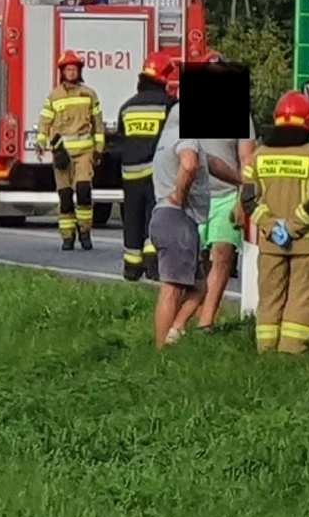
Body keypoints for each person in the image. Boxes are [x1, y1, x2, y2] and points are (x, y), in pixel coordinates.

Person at [241, 91, 309, 354]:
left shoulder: (258, 157)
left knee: (270, 297)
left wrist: (272, 226)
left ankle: (266, 349)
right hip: (308, 242)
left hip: (271, 243)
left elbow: (248, 200)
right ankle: (292, 352)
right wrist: (293, 227)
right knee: (302, 297)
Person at [149, 101, 242, 348]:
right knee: (171, 289)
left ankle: (174, 332)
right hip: (177, 217)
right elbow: (189, 164)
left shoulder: (166, 139)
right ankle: (160, 350)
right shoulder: (186, 139)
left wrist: (240, 181)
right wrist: (180, 195)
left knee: (199, 286)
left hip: (162, 215)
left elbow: (210, 163)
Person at [193, 52, 258, 332]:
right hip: (195, 197)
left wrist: (243, 200)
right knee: (195, 262)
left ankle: (206, 323)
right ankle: (188, 314)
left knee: (222, 255)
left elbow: (247, 160)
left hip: (226, 196)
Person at [113, 51, 178, 281]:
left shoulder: (127, 107)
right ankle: (153, 265)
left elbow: (119, 143)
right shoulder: (170, 106)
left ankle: (131, 267)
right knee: (154, 216)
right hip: (156, 173)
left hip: (130, 175)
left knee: (132, 218)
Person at [36, 50, 105, 251]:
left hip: (84, 154)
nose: (71, 72)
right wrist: (42, 143)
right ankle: (67, 236)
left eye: (74, 69)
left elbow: (98, 124)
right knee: (65, 197)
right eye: (68, 69)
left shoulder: (89, 94)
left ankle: (85, 232)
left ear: (79, 71)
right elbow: (44, 122)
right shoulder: (54, 96)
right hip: (62, 155)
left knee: (83, 192)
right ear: (62, 72)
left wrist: (98, 150)